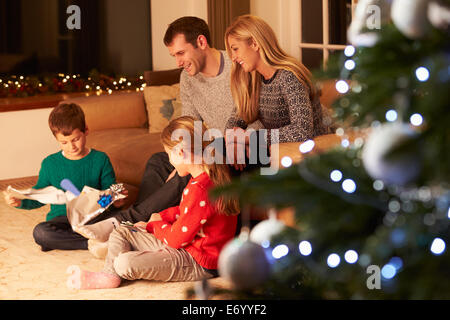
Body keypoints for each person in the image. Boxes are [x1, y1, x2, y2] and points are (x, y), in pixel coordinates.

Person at [81, 16, 244, 247]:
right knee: (159, 162)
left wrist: (187, 161)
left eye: (181, 53)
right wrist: (180, 156)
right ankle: (140, 228)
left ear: (201, 42)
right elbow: (188, 124)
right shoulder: (188, 78)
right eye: (174, 56)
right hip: (201, 147)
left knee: (186, 171)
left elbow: (252, 114)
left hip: (229, 151)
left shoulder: (237, 66)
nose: (178, 62)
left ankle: (126, 222)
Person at [65, 116, 239, 289]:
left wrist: (155, 226)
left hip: (198, 261)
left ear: (180, 153)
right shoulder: (204, 179)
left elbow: (175, 240)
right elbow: (186, 212)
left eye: (169, 154)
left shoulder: (200, 189)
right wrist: (157, 217)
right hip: (188, 245)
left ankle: (118, 267)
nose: (169, 161)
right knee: (122, 231)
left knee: (124, 263)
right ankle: (111, 274)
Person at [2, 103, 122, 251]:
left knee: (121, 221)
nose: (72, 147)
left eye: (76, 139)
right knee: (41, 233)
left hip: (92, 217)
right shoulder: (50, 164)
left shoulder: (100, 159)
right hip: (62, 219)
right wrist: (20, 202)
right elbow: (39, 196)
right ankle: (91, 243)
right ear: (56, 139)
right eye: (64, 142)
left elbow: (110, 191)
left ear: (86, 131)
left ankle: (81, 239)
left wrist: (116, 199)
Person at [224, 15, 330, 147]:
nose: (233, 58)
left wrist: (251, 138)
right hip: (275, 150)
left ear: (254, 43)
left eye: (235, 49)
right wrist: (233, 144)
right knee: (219, 149)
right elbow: (234, 120)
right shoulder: (252, 78)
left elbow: (302, 130)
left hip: (308, 152)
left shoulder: (289, 76)